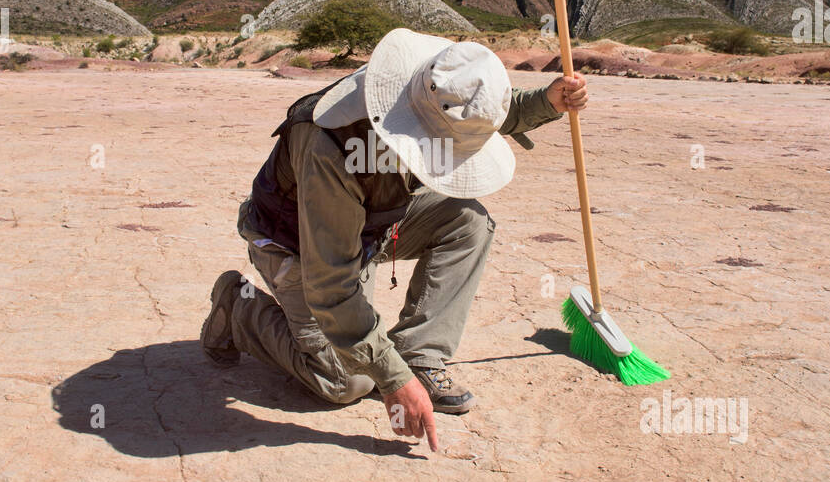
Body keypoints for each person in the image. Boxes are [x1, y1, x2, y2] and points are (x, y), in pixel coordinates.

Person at [200, 28, 587, 450]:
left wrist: (547, 102)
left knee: (467, 220)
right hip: (295, 243)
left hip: (371, 226)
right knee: (347, 381)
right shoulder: (330, 144)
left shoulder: (430, 86)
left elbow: (475, 115)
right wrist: (392, 379)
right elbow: (331, 287)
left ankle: (419, 353)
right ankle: (239, 308)